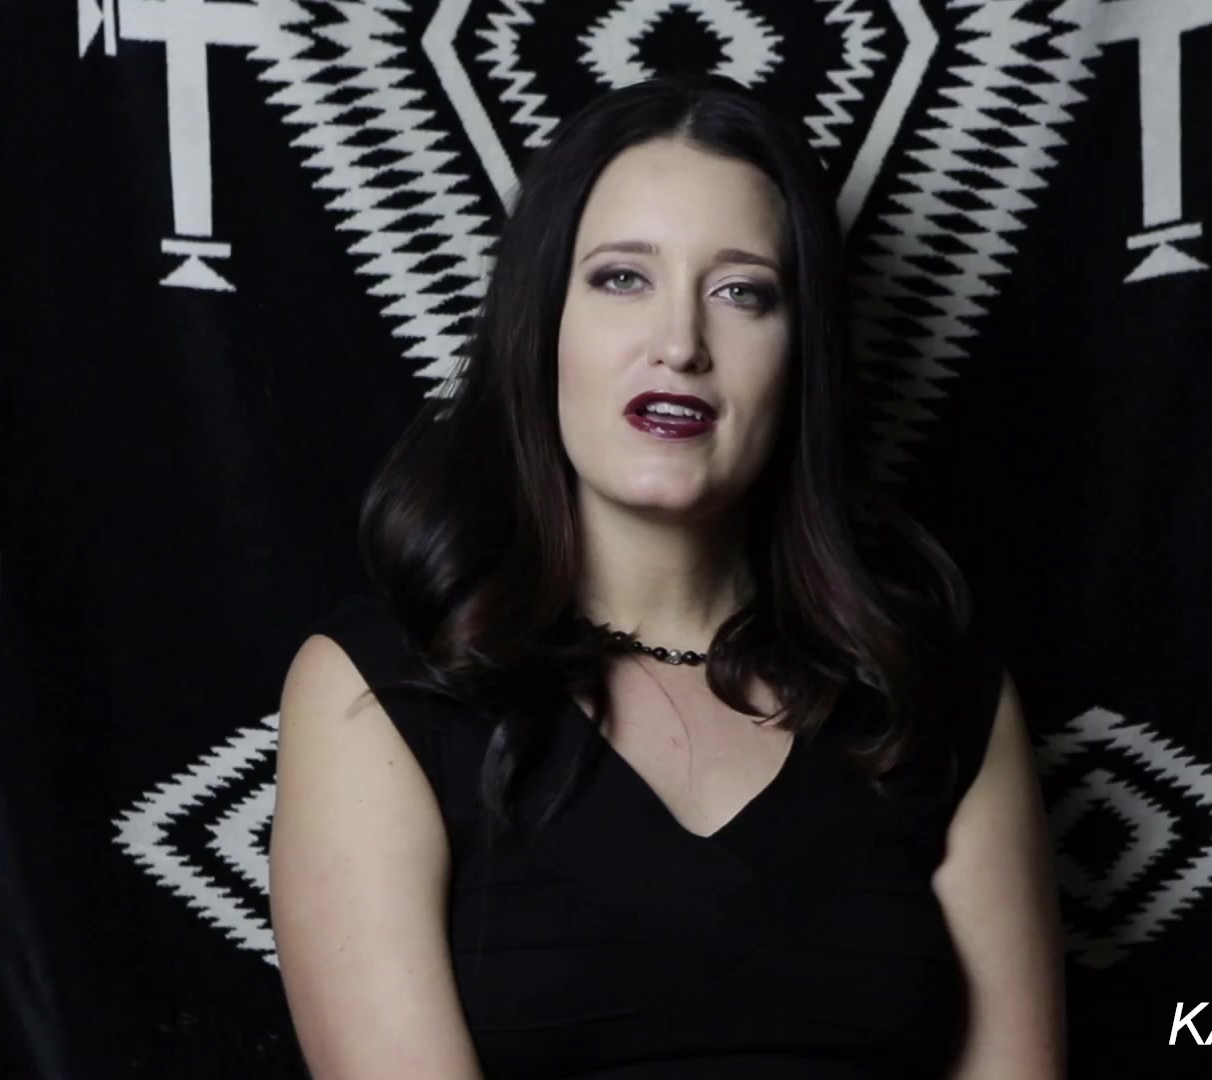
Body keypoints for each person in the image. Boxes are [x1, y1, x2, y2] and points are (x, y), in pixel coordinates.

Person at [268, 73, 1063, 1079]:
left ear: (802, 355)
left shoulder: (933, 690)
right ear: (540, 325)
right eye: (621, 279)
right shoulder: (377, 690)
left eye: (742, 292)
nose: (681, 345)